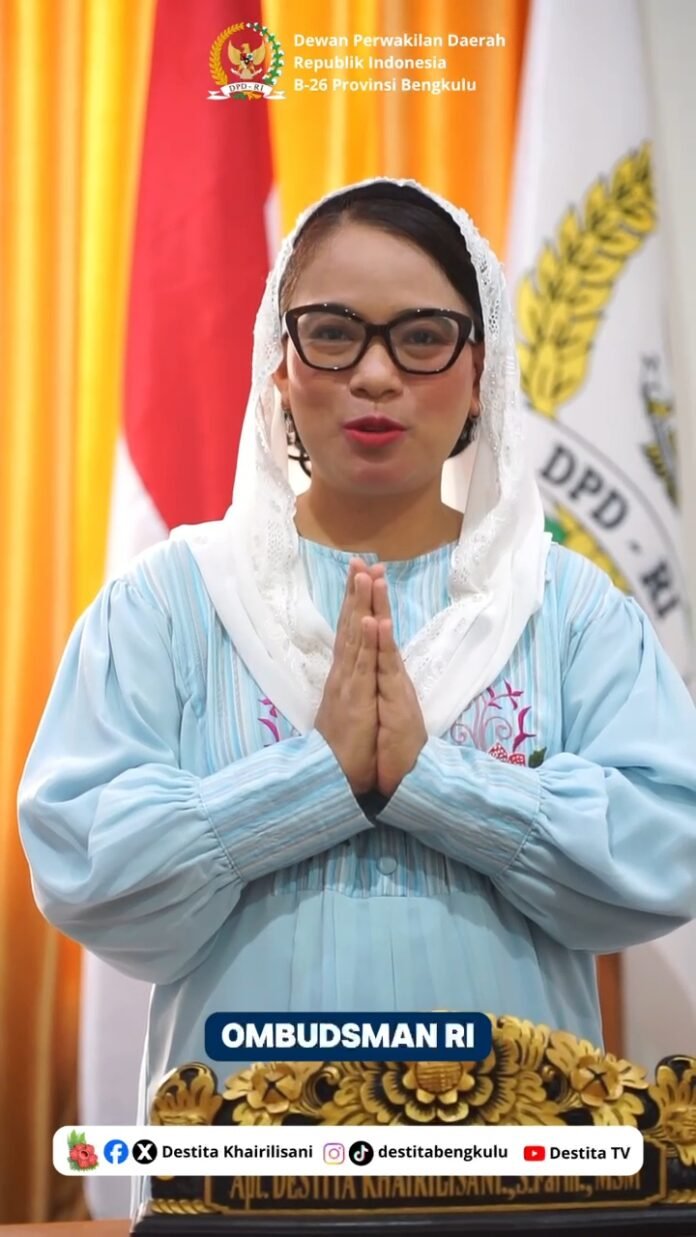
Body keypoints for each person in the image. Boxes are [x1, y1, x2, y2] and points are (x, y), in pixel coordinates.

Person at [17, 179, 696, 1137]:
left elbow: (670, 847)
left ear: (481, 368)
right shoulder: (169, 603)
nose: (376, 375)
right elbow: (85, 866)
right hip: (246, 1168)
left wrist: (437, 783)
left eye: (422, 337)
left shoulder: (568, 609)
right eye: (333, 333)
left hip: (509, 1170)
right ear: (280, 363)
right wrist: (311, 779)